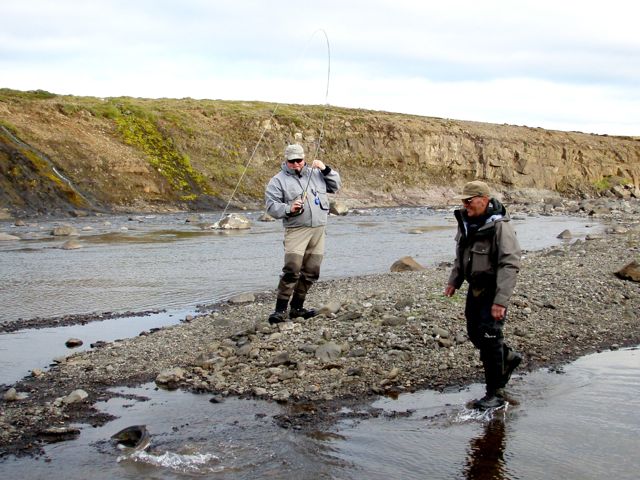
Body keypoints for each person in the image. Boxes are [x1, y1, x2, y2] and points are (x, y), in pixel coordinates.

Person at [444, 180, 523, 409]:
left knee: (490, 338)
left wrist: (500, 301)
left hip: (492, 289)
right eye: (463, 201)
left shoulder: (500, 226)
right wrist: (454, 281)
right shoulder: (466, 222)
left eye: (469, 201)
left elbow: (510, 264)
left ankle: (495, 393)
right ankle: (507, 357)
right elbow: (461, 255)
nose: (465, 205)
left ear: (483, 199)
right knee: (474, 334)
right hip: (474, 288)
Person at [265, 143, 341, 324]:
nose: (296, 164)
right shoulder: (277, 180)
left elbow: (336, 185)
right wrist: (289, 208)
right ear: (286, 161)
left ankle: (297, 308)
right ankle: (280, 310)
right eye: (292, 161)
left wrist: (325, 169)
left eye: (299, 160)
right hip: (296, 230)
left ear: (304, 158)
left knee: (311, 271)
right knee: (292, 269)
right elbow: (271, 206)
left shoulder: (316, 174)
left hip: (319, 229)